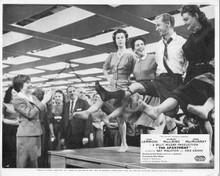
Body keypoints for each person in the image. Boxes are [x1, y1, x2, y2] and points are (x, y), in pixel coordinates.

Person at [138, 5, 214, 161]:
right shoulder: (191, 36)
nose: (184, 23)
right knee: (200, 117)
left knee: (183, 97)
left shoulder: (210, 32)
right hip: (191, 74)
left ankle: (156, 110)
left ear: (196, 16)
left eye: (186, 19)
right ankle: (210, 152)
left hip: (206, 73)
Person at [95, 14, 187, 134]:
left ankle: (171, 143)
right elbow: (160, 67)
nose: (156, 28)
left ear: (168, 24)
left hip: (174, 81)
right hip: (158, 81)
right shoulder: (158, 46)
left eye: (158, 25)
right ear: (133, 49)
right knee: (135, 86)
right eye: (137, 45)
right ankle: (111, 96)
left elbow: (188, 64)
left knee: (169, 120)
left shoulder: (182, 42)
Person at [74, 29, 138, 152]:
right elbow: (104, 69)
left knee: (120, 117)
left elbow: (137, 71)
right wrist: (109, 78)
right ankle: (87, 112)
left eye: (122, 37)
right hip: (113, 85)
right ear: (115, 40)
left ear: (126, 39)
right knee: (101, 98)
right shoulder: (112, 56)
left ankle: (124, 143)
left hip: (125, 86)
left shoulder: (131, 55)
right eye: (117, 38)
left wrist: (133, 81)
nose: (120, 39)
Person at [12, 75, 53, 168]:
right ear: (20, 85)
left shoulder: (32, 97)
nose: (30, 84)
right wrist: (44, 101)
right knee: (24, 163)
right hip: (26, 135)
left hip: (37, 133)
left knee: (35, 164)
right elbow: (30, 114)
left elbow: (42, 110)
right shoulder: (17, 99)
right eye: (27, 82)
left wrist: (47, 101)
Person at [32, 88, 50, 168]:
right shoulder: (43, 106)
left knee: (39, 148)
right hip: (41, 128)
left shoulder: (37, 105)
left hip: (39, 128)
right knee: (41, 148)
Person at [2, 86, 19, 168]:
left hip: (18, 130)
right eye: (14, 93)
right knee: (9, 149)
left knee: (17, 149)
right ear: (10, 94)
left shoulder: (20, 104)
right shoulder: (4, 105)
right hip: (7, 131)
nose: (16, 94)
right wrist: (14, 122)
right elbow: (1, 119)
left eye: (17, 92)